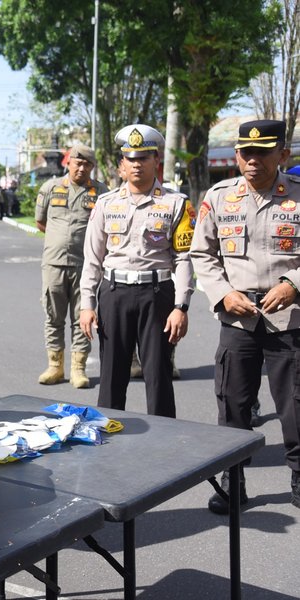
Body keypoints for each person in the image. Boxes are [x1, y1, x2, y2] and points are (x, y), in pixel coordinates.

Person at [190, 118, 300, 513]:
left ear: (282, 154)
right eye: (245, 152)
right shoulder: (219, 197)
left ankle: (299, 476)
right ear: (236, 156)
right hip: (237, 320)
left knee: (295, 405)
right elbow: (201, 254)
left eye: (262, 151)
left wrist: (293, 285)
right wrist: (222, 294)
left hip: (289, 321)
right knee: (233, 405)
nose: (252, 160)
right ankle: (232, 481)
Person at [79, 124, 195, 418]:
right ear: (121, 165)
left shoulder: (176, 203)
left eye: (144, 157)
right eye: (130, 158)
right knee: (112, 375)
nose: (137, 164)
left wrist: (181, 306)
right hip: (114, 293)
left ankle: (162, 444)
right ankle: (107, 437)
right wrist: (86, 304)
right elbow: (92, 258)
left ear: (156, 161)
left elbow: (183, 258)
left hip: (156, 295)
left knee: (158, 375)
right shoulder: (106, 204)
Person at [34, 144, 108, 388]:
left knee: (82, 317)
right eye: (78, 162)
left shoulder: (101, 192)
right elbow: (40, 222)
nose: (82, 167)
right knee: (53, 316)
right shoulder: (50, 188)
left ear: (92, 167)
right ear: (69, 163)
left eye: (87, 164)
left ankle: (78, 368)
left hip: (85, 266)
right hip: (53, 263)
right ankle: (55, 366)